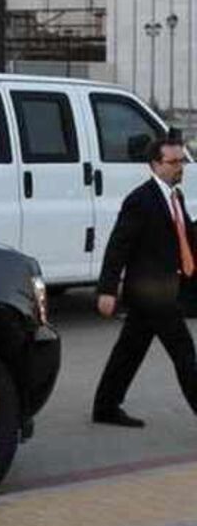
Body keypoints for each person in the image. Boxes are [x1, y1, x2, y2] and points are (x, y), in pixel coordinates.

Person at [93, 136, 197, 428]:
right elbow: (118, 246)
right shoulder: (140, 200)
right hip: (152, 292)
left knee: (130, 349)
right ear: (155, 164)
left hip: (163, 289)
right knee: (185, 354)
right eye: (174, 162)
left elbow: (186, 240)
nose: (180, 168)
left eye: (182, 161)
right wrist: (107, 289)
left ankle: (105, 406)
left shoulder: (174, 197)